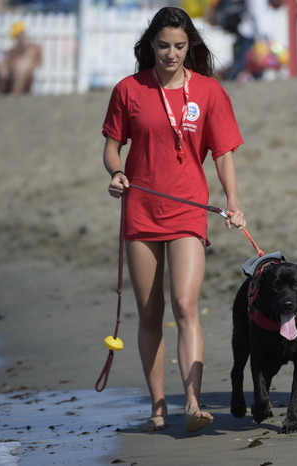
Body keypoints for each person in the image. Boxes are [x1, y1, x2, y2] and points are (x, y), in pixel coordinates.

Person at [102, 6, 246, 433]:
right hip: (141, 210)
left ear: (191, 47)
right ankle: (158, 407)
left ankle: (193, 403)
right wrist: (116, 173)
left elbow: (223, 154)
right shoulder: (129, 89)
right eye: (163, 45)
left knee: (185, 305)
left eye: (179, 46)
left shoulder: (210, 91)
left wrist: (233, 203)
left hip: (188, 210)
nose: (171, 53)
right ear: (151, 45)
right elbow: (112, 147)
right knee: (150, 313)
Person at [0, 21, 43, 96]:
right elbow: (7, 58)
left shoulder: (33, 48)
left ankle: (15, 94)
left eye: (21, 34)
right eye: (18, 35)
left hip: (23, 73)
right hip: (11, 70)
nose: (20, 37)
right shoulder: (14, 50)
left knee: (21, 68)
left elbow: (38, 62)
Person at [223, 0, 271, 81]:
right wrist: (263, 34)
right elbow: (257, 13)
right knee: (244, 60)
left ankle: (235, 78)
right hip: (248, 32)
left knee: (249, 60)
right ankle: (232, 79)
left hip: (247, 31)